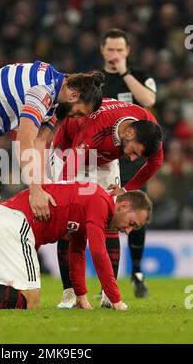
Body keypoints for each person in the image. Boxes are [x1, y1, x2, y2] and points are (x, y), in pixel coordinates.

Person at [0, 60, 104, 284]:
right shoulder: (42, 92)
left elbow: (39, 142)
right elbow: (24, 141)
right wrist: (35, 189)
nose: (75, 118)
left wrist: (46, 185)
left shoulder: (56, 91)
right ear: (74, 95)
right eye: (78, 113)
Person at [0, 182, 153, 311]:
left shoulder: (92, 200)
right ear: (123, 207)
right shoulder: (100, 201)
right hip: (15, 224)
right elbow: (99, 253)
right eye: (132, 223)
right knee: (29, 301)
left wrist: (81, 295)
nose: (128, 230)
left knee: (3, 297)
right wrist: (116, 299)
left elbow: (77, 251)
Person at [52, 98, 163, 308]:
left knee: (112, 220)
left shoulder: (147, 127)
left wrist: (127, 189)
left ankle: (108, 295)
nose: (131, 159)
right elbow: (71, 166)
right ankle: (70, 295)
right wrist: (66, 198)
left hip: (104, 157)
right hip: (68, 151)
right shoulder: (96, 127)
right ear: (129, 133)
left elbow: (156, 162)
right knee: (70, 223)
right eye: (134, 152)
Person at [100, 28, 157, 298]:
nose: (115, 55)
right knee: (101, 212)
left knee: (133, 210)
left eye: (120, 50)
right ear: (102, 50)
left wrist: (124, 72)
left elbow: (148, 100)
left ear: (127, 51)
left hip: (132, 158)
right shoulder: (95, 80)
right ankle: (102, 278)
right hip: (102, 156)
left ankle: (136, 270)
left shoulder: (140, 76)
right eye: (111, 49)